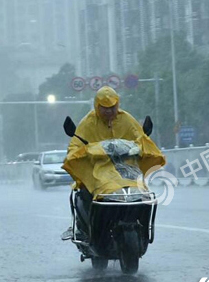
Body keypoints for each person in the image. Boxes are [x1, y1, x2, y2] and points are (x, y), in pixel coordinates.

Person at [62, 86, 164, 239]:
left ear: (118, 104)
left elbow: (141, 138)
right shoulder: (88, 123)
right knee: (84, 191)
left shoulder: (127, 119)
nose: (109, 111)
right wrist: (80, 153)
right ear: (97, 106)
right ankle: (86, 230)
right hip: (98, 169)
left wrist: (142, 147)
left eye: (112, 107)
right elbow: (75, 144)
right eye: (104, 108)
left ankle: (141, 228)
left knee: (143, 194)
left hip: (126, 169)